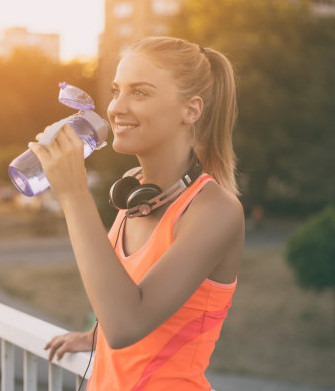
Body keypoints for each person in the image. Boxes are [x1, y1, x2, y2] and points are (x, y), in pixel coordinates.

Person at [29, 36, 244, 390]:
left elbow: (126, 325)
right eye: (116, 91)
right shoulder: (134, 190)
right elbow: (123, 295)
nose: (116, 108)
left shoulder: (215, 211)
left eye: (139, 93)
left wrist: (73, 195)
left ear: (191, 110)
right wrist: (93, 335)